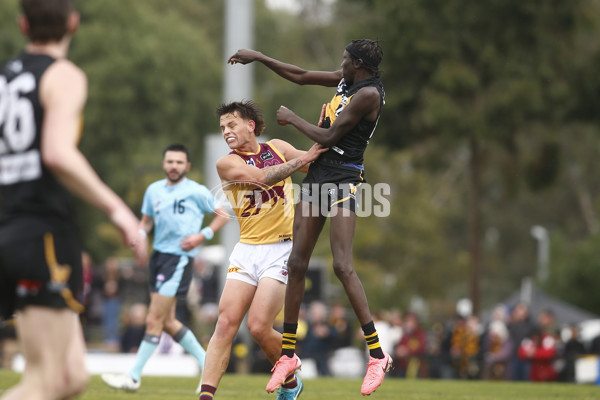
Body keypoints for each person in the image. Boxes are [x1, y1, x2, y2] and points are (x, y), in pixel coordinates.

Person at [0, 1, 147, 399]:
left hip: (12, 227)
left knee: (70, 378)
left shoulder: (5, 77)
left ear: (23, 24)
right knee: (43, 382)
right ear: (73, 23)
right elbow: (57, 152)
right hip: (40, 232)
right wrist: (117, 209)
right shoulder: (63, 75)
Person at [228, 39, 392, 395]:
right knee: (298, 261)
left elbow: (330, 135)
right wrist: (258, 56)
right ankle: (287, 355)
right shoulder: (347, 82)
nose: (341, 63)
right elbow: (301, 76)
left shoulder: (369, 95)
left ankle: (378, 355)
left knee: (342, 265)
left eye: (346, 59)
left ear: (360, 64)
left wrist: (291, 120)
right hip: (319, 175)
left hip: (344, 178)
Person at [197, 101, 326, 400]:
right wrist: (303, 158)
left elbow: (314, 163)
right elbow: (259, 179)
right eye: (222, 128)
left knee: (257, 327)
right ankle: (206, 397)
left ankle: (289, 373)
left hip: (280, 250)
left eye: (232, 125)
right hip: (246, 250)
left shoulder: (278, 147)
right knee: (226, 323)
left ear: (250, 125)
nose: (226, 132)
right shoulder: (226, 163)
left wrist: (325, 134)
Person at [101, 143, 229, 392]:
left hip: (179, 259)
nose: (174, 166)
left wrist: (201, 236)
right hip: (158, 257)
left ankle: (133, 376)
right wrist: (138, 235)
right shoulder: (154, 190)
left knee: (154, 319)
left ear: (187, 166)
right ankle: (208, 366)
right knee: (168, 321)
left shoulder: (196, 191)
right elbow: (146, 222)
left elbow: (222, 214)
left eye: (179, 162)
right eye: (170, 161)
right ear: (164, 164)